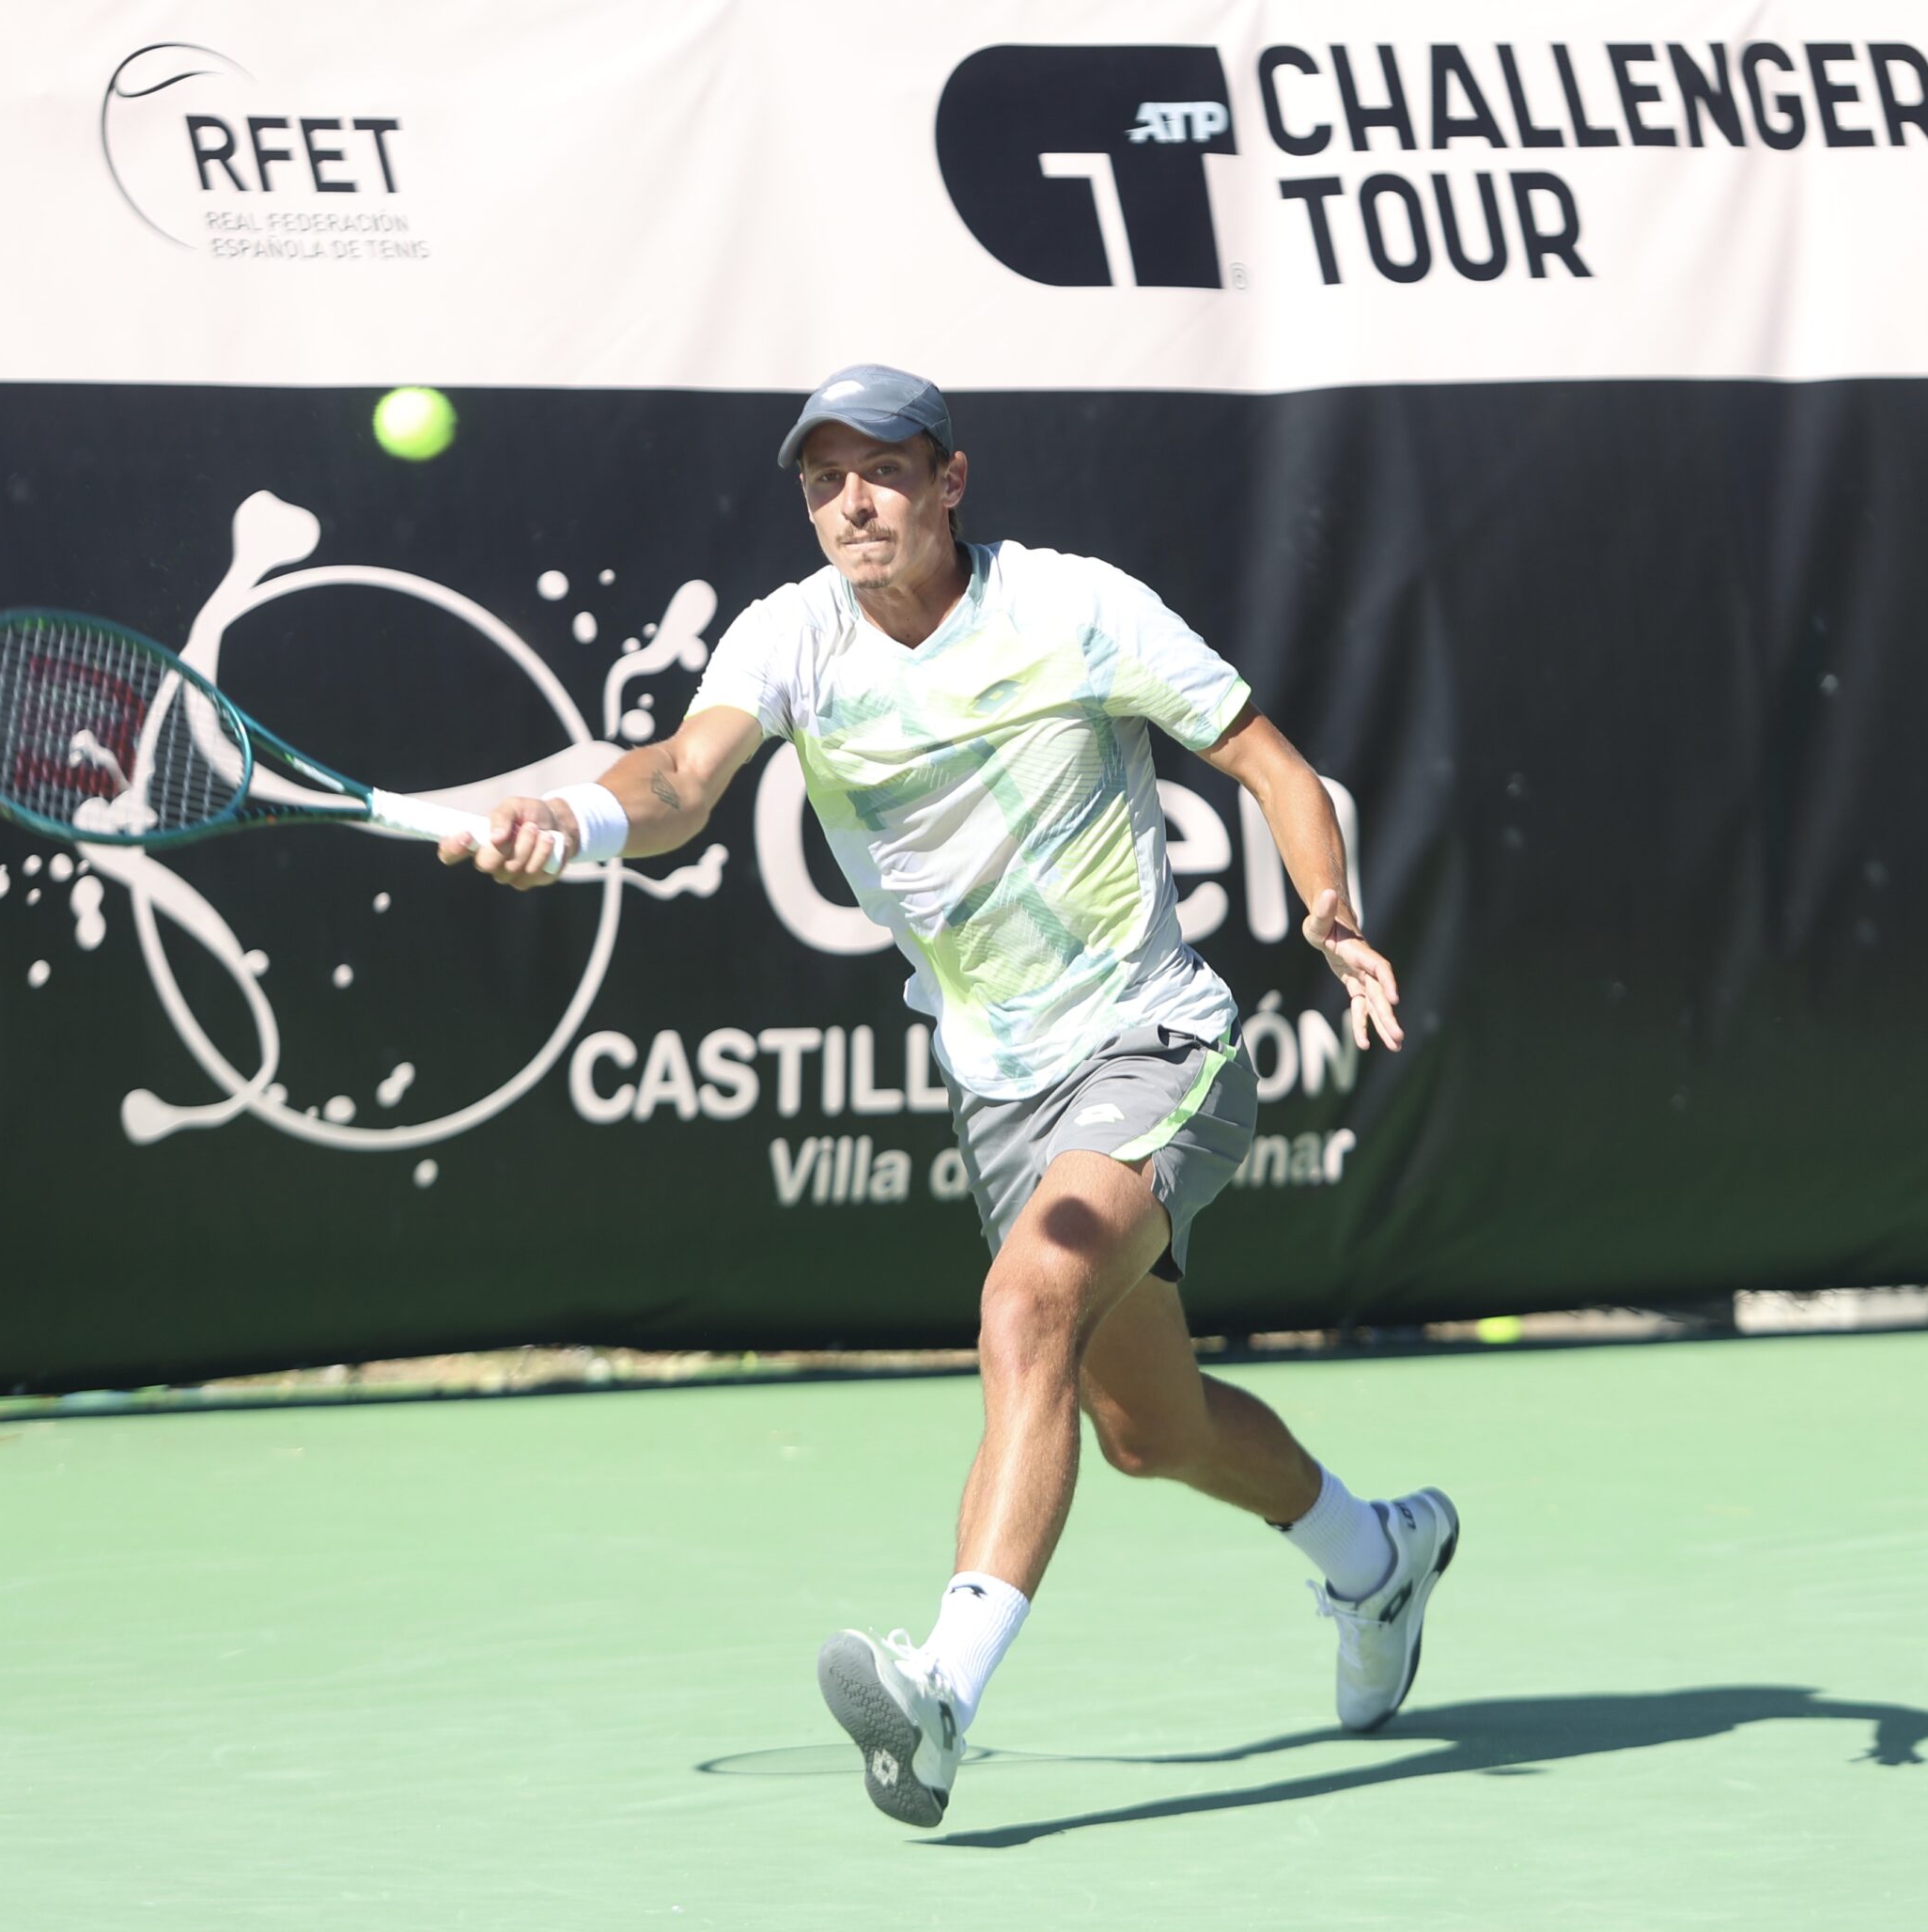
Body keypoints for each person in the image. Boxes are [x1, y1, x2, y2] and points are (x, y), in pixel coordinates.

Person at [441, 365, 1457, 1828]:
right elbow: (680, 779)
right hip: (1000, 1091)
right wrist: (578, 818)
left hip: (1155, 1043)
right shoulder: (790, 637)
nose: (852, 504)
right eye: (824, 481)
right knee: (1149, 1429)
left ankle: (940, 1700)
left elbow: (1269, 763)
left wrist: (1330, 909)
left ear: (950, 481)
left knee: (1025, 1303)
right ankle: (1378, 1557)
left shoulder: (1075, 608)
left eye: (883, 472)